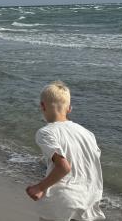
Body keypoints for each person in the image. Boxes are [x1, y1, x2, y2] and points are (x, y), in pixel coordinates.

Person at [26, 81, 105, 220]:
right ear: (69, 109)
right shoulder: (88, 134)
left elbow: (64, 167)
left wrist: (39, 187)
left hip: (61, 203)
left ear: (42, 106)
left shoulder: (46, 133)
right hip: (88, 204)